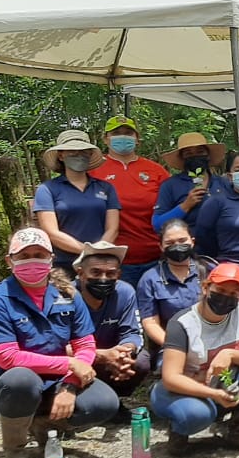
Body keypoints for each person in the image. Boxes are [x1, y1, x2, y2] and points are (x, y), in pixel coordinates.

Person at [0, 228, 119, 458]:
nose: (32, 260)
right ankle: (14, 451)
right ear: (10, 261)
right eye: (24, 255)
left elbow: (85, 344)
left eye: (39, 254)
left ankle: (45, 429)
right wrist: (69, 363)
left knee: (105, 402)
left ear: (51, 258)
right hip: (6, 388)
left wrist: (70, 386)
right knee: (22, 378)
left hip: (56, 382)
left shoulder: (68, 295)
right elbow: (7, 358)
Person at [150, 263, 239, 455]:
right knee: (198, 415)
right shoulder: (182, 324)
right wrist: (214, 395)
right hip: (180, 390)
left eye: (234, 294)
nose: (226, 297)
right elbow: (171, 378)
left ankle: (238, 432)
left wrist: (229, 354)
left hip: (220, 384)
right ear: (206, 287)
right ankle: (179, 432)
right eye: (220, 290)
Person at [91, 115, 170, 285]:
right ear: (106, 138)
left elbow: (171, 208)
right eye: (116, 133)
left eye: (128, 132)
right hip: (112, 261)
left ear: (137, 139)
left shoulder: (156, 170)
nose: (123, 136)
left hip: (156, 258)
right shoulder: (94, 170)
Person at [135, 219, 214, 377]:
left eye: (182, 240)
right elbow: (150, 323)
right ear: (161, 247)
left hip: (212, 340)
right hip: (170, 345)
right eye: (170, 242)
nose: (177, 246)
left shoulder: (208, 270)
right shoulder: (150, 279)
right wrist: (177, 346)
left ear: (192, 242)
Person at [34, 129, 121, 272]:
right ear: (61, 156)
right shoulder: (47, 189)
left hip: (101, 265)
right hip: (63, 265)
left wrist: (98, 252)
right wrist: (86, 251)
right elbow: (51, 232)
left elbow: (113, 229)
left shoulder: (106, 188)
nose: (78, 155)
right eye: (72, 152)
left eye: (84, 152)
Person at [72, 241, 146, 402]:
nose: (103, 279)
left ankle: (116, 400)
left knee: (140, 361)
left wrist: (123, 353)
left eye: (110, 274)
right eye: (96, 272)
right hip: (76, 360)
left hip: (113, 354)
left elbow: (132, 332)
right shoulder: (64, 297)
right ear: (81, 273)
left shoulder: (125, 292)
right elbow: (55, 346)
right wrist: (102, 355)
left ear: (118, 275)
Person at [153, 132, 228, 233]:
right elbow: (157, 225)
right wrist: (185, 205)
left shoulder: (223, 183)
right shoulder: (170, 185)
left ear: (208, 155)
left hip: (222, 244)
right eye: (189, 154)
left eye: (200, 152)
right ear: (182, 158)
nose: (195, 156)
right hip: (187, 245)